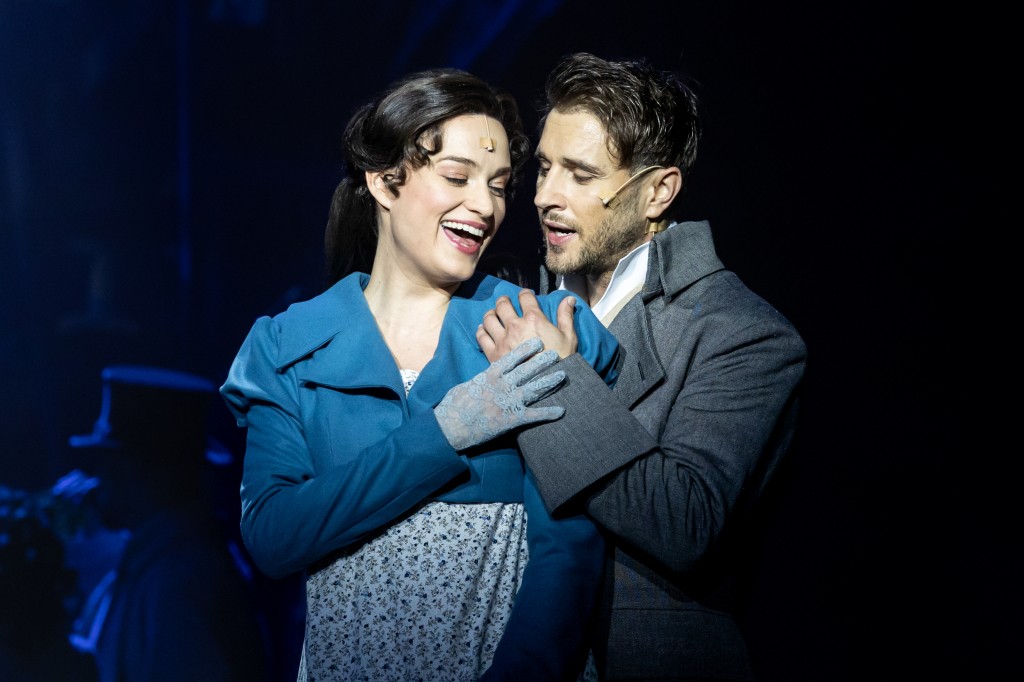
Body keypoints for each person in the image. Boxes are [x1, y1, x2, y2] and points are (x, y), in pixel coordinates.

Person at [219, 68, 621, 682]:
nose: (485, 207)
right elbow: (274, 537)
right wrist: (445, 431)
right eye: (457, 177)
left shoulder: (532, 328)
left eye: (499, 186)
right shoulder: (289, 346)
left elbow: (568, 550)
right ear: (384, 181)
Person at [476, 52, 808, 681]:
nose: (545, 196)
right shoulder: (511, 299)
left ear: (658, 191)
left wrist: (550, 374)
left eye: (581, 174)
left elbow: (685, 522)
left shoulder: (743, 332)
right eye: (544, 168)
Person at [67, 364, 270, 682]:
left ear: (145, 472)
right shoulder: (153, 565)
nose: (97, 480)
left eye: (110, 464)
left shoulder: (177, 580)